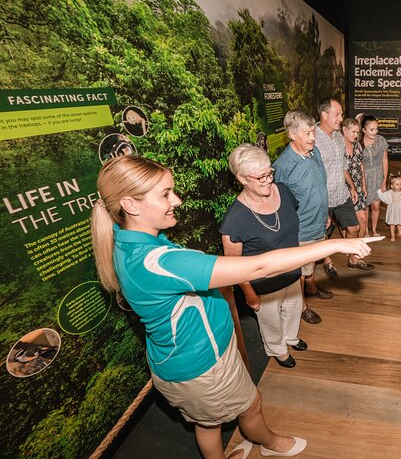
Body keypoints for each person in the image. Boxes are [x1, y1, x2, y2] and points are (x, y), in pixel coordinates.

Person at [91, 154, 377, 459]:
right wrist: (332, 245)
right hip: (203, 365)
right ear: (130, 205)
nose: (176, 200)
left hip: (185, 358)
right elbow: (257, 268)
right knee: (250, 405)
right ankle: (271, 444)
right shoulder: (158, 262)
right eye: (165, 194)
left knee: (207, 421)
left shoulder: (127, 241)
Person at [220, 145, 306, 369]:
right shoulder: (235, 219)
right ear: (242, 178)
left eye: (270, 172)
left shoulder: (283, 190)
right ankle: (277, 349)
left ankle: (291, 338)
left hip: (293, 272)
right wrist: (249, 293)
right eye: (261, 176)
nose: (269, 180)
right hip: (264, 284)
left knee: (293, 309)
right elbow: (234, 265)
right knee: (271, 321)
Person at [273, 111, 330, 324]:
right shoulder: (284, 165)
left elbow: (319, 186)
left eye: (313, 131)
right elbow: (279, 202)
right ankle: (302, 307)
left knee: (312, 264)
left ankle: (313, 288)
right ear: (292, 135)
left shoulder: (315, 153)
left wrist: (326, 214)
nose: (313, 137)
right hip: (301, 229)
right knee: (299, 271)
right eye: (307, 133)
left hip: (319, 222)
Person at [314, 98, 374, 273]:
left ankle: (353, 260)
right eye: (337, 114)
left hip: (341, 194)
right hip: (323, 197)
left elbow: (343, 166)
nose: (341, 118)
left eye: (341, 114)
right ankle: (328, 261)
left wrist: (353, 188)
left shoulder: (339, 137)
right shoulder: (314, 139)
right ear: (324, 115)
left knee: (354, 227)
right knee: (324, 231)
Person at [360, 115, 389, 237]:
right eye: (371, 129)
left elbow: (385, 161)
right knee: (365, 205)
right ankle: (365, 230)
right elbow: (359, 164)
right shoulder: (358, 143)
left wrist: (384, 180)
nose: (375, 132)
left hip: (378, 175)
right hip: (364, 177)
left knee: (376, 205)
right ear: (363, 130)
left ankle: (374, 230)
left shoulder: (381, 140)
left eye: (376, 129)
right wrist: (362, 184)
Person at [341, 118, 369, 239]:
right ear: (344, 130)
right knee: (348, 225)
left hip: (358, 187)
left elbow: (361, 166)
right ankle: (349, 248)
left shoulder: (357, 145)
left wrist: (364, 185)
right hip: (344, 188)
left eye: (357, 133)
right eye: (353, 132)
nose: (356, 135)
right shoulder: (338, 147)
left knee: (363, 219)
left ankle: (359, 250)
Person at [377, 173, 401, 242]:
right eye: (397, 184)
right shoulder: (390, 193)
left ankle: (400, 232)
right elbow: (384, 197)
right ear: (392, 186)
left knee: (400, 222)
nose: (400, 186)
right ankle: (392, 236)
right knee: (392, 223)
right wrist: (379, 191)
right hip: (393, 211)